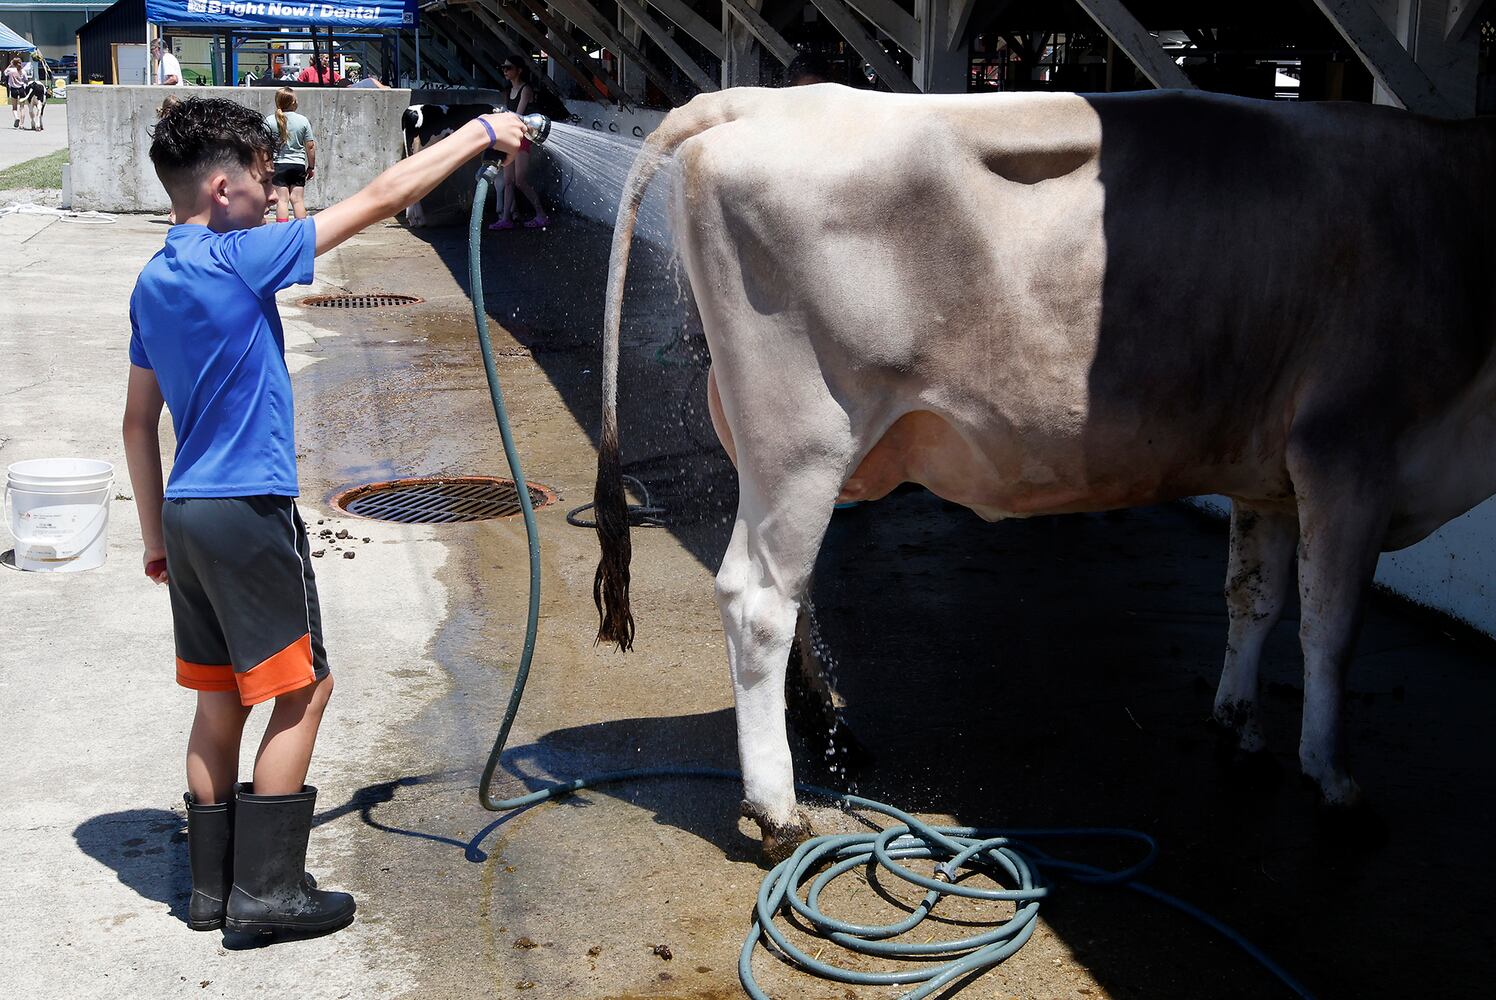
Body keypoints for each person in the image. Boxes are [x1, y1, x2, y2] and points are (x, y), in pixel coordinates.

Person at [121, 97, 526, 937]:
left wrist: (155, 536)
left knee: (222, 696)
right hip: (248, 509)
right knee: (305, 688)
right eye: (265, 184)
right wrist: (480, 134)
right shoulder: (238, 258)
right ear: (223, 186)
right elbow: (382, 197)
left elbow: (136, 421)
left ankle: (210, 890)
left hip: (191, 515)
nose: (275, 199)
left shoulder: (153, 280)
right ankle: (269, 895)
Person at [488, 59, 549, 231]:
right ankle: (506, 219)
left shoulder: (526, 89)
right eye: (503, 68)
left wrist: (503, 113)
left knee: (520, 180)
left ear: (519, 70)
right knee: (508, 181)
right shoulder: (509, 91)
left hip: (522, 139)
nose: (505, 71)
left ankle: (542, 215)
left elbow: (518, 116)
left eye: (508, 68)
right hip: (511, 138)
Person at [263, 87, 315, 223]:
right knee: (298, 200)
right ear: (293, 103)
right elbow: (310, 146)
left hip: (279, 165)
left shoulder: (269, 121)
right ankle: (302, 230)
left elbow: (264, 146)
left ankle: (282, 231)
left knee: (282, 201)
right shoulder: (303, 120)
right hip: (298, 165)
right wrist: (311, 166)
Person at [5, 57, 27, 128]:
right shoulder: (23, 71)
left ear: (13, 63)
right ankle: (22, 124)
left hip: (13, 89)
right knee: (22, 107)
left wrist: (10, 65)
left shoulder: (11, 70)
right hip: (21, 89)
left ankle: (16, 118)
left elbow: (5, 73)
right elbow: (26, 80)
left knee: (14, 108)